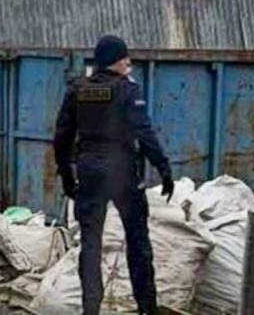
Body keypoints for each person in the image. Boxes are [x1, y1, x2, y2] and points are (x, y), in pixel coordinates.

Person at [53, 35, 174, 315]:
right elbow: (145, 134)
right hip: (122, 174)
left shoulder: (78, 90)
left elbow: (61, 137)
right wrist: (164, 168)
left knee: (91, 244)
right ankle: (146, 308)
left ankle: (90, 309)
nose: (128, 64)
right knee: (137, 241)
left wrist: (67, 176)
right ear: (115, 62)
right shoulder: (127, 91)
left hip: (89, 171)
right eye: (125, 59)